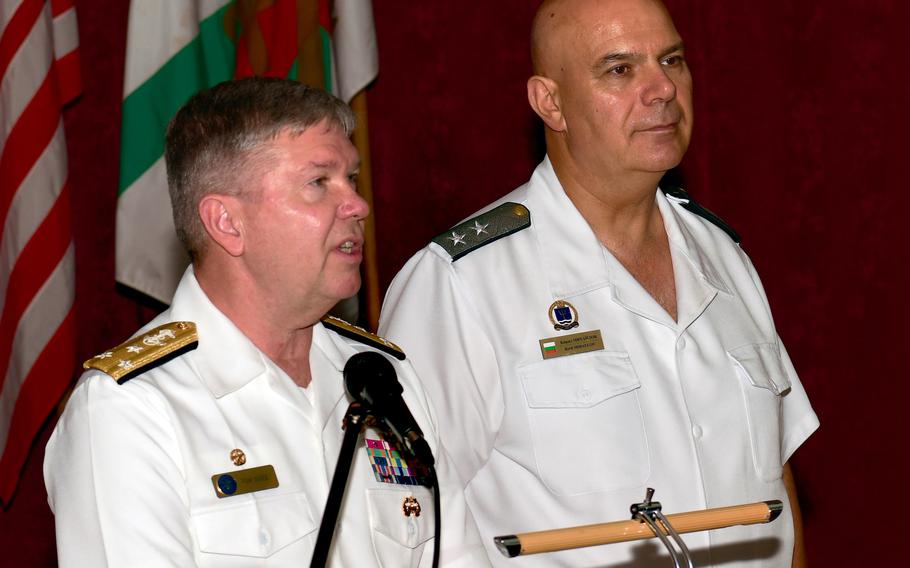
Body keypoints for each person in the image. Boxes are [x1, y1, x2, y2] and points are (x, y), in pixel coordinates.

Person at [378, 0, 819, 566]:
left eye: (673, 60)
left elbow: (776, 481)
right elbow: (406, 522)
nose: (662, 88)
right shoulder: (461, 283)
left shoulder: (724, 256)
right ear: (550, 102)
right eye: (620, 69)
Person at [44, 77, 489, 567]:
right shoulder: (132, 409)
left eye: (353, 180)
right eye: (319, 183)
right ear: (227, 223)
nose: (358, 206)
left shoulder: (382, 377)